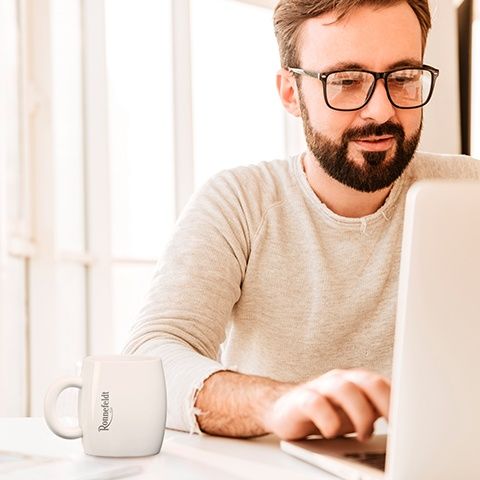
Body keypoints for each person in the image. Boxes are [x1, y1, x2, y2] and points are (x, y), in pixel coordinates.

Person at [124, 0, 480, 442]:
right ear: (291, 92)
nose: (381, 112)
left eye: (403, 78)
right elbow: (151, 357)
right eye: (347, 82)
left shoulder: (471, 192)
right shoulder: (240, 201)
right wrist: (277, 403)